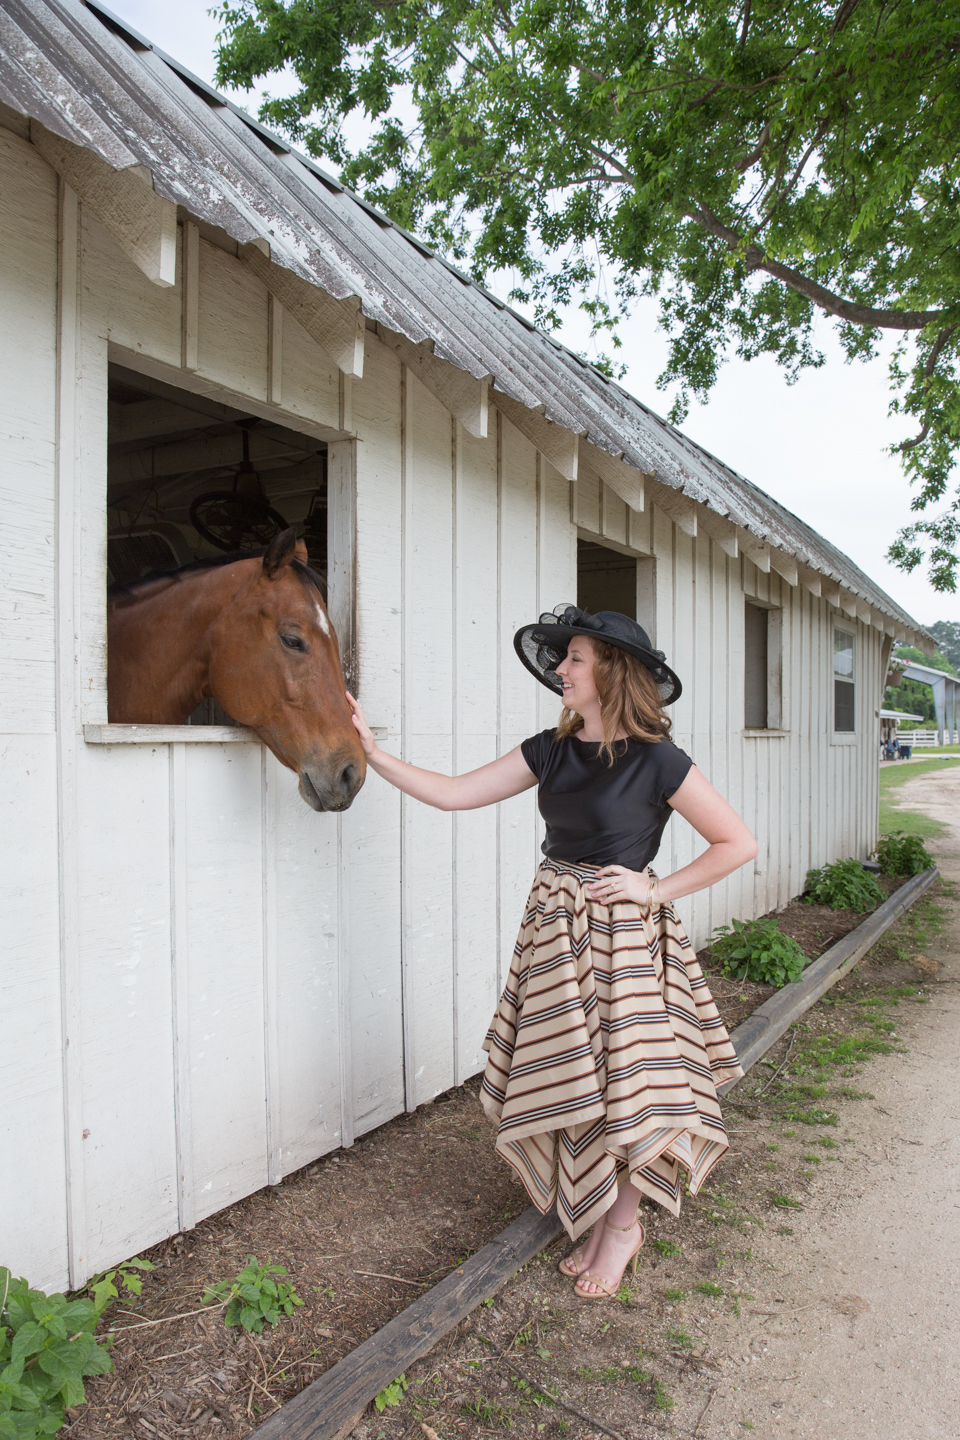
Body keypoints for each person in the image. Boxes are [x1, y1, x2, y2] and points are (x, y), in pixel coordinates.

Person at [347, 604, 756, 1301]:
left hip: (622, 941)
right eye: (562, 658)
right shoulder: (551, 750)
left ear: (611, 672)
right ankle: (602, 1213)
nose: (561, 669)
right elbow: (452, 794)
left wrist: (653, 890)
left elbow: (737, 845)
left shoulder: (659, 760)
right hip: (555, 938)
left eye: (575, 658)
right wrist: (373, 750)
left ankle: (623, 1225)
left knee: (627, 1083)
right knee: (577, 1076)